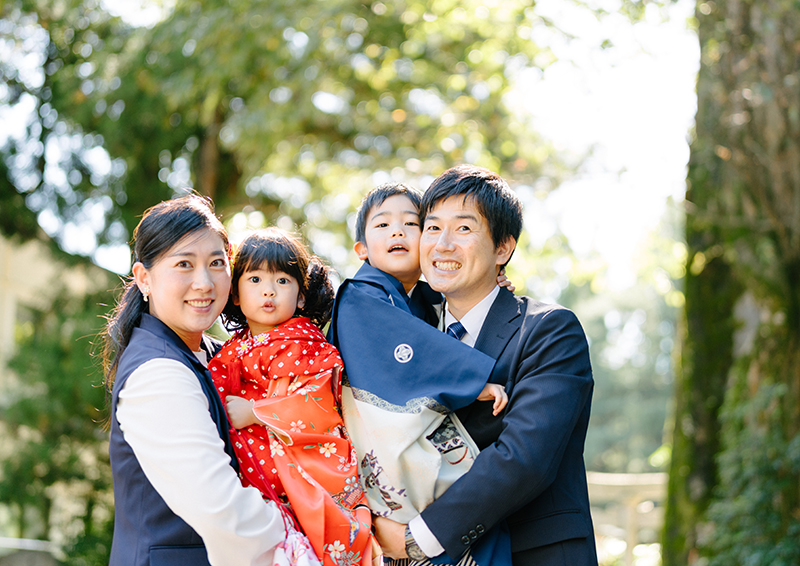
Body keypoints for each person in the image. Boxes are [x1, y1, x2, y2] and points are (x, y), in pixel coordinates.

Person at [373, 165, 598, 566]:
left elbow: (524, 459)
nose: (442, 245)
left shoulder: (549, 330)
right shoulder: (407, 329)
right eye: (432, 228)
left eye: (463, 228)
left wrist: (415, 538)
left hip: (529, 553)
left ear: (503, 248)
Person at [328, 182, 511, 566]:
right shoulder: (360, 295)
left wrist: (494, 284)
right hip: (373, 431)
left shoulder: (426, 301)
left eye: (411, 224)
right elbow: (409, 347)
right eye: (382, 225)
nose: (397, 232)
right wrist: (473, 381)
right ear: (361, 250)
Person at [103, 194, 285, 566]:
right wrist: (315, 534)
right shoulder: (156, 373)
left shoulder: (222, 355)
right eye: (184, 264)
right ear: (144, 278)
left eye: (216, 263)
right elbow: (223, 509)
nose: (204, 283)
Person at [209, 228, 377, 566]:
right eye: (255, 279)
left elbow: (317, 404)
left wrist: (256, 412)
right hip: (248, 487)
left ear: (301, 296)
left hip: (298, 476)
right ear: (236, 294)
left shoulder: (307, 345)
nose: (268, 290)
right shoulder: (231, 349)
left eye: (282, 281)